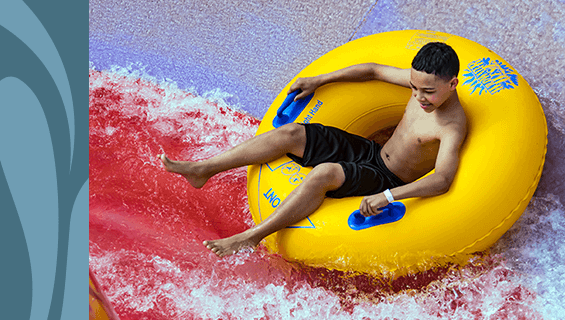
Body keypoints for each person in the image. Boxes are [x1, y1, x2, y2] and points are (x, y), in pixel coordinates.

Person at [159, 42, 468, 258]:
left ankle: (251, 237)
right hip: (372, 151)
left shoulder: (450, 125)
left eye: (427, 92)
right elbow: (373, 70)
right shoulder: (423, 85)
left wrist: (388, 196)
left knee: (326, 173)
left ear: (452, 84)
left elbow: (442, 179)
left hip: (388, 178)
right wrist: (320, 80)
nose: (418, 96)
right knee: (291, 132)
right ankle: (205, 169)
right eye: (414, 88)